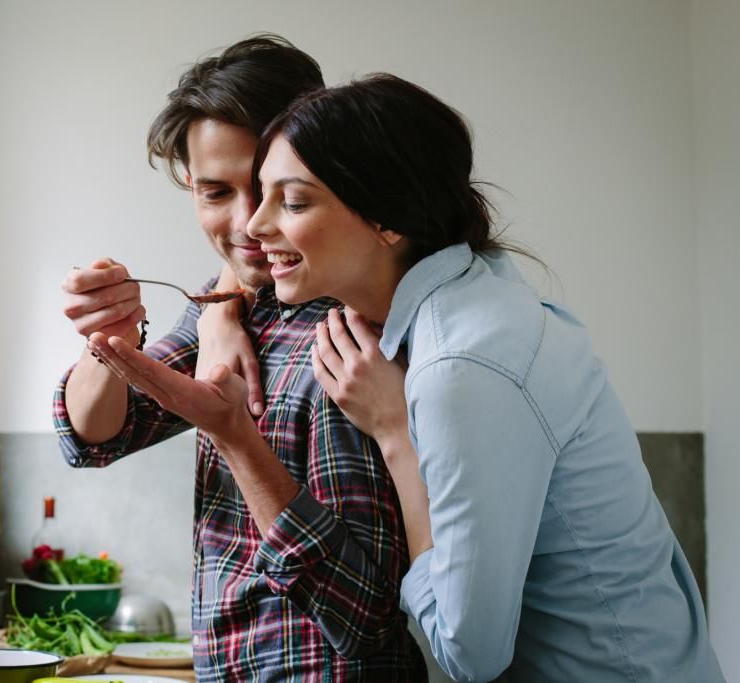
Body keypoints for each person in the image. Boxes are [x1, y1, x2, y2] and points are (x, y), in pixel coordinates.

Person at [92, 73, 724, 681]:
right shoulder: (479, 291)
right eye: (231, 192)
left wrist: (396, 433)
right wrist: (221, 307)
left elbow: (466, 651)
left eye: (293, 200)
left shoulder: (455, 366)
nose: (255, 227)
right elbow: (87, 434)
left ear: (388, 218)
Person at [56, 37, 427, 680]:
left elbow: (364, 617)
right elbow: (91, 435)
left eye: (267, 189)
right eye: (213, 192)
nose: (246, 224)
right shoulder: (231, 306)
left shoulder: (357, 327)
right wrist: (111, 337)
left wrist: (235, 438)